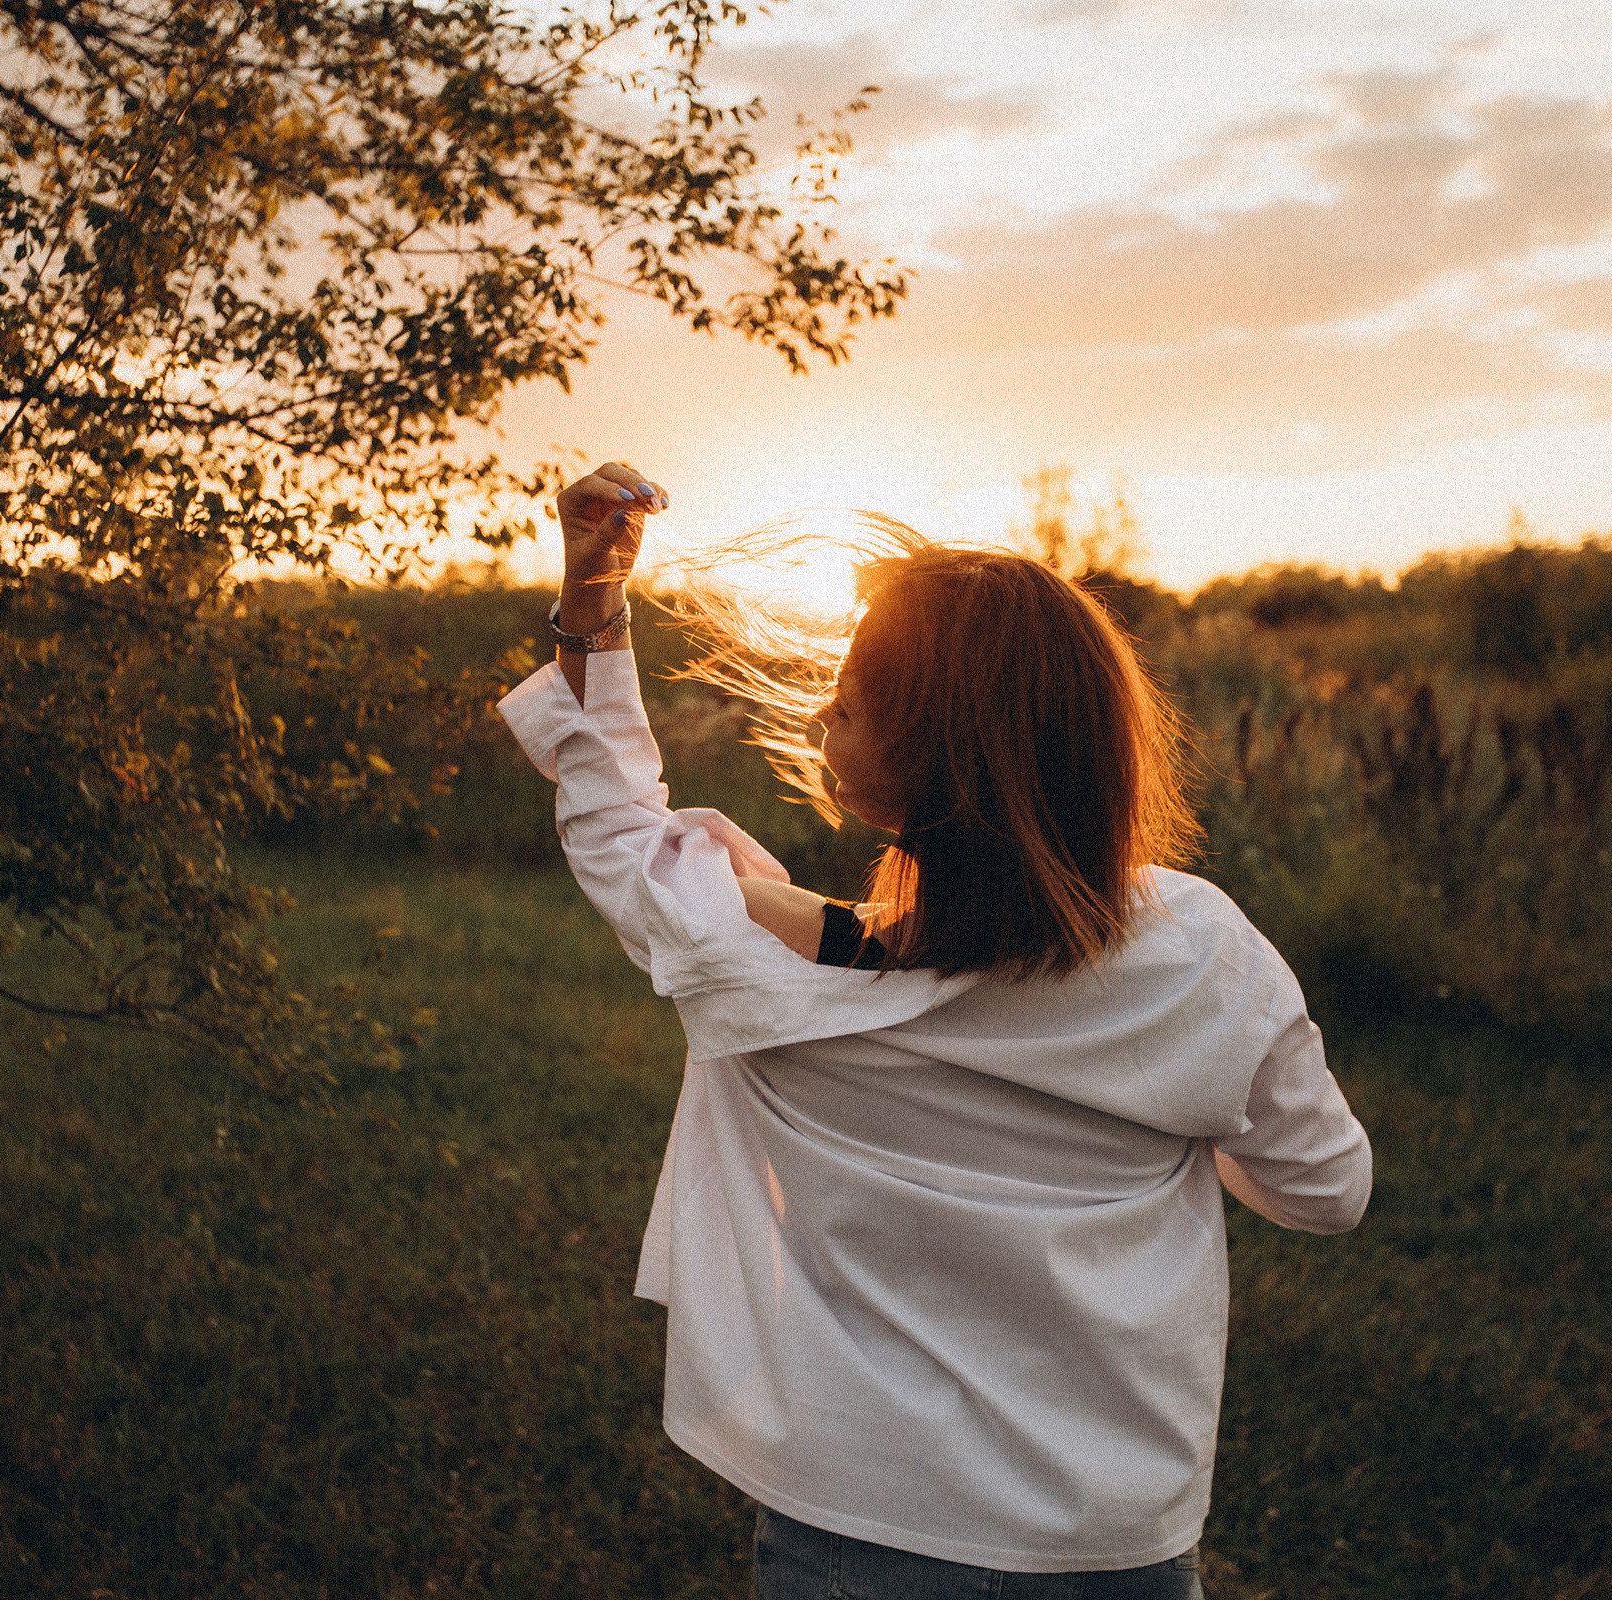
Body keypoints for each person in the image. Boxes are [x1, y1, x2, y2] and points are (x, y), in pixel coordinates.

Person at [497, 462, 1372, 1599]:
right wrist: (1170, 1114)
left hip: (861, 1528)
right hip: (1118, 1545)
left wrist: (597, 594)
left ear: (932, 759)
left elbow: (615, 819)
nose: (821, 710)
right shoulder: (1205, 952)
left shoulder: (766, 979)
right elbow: (1328, 1191)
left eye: (848, 701)